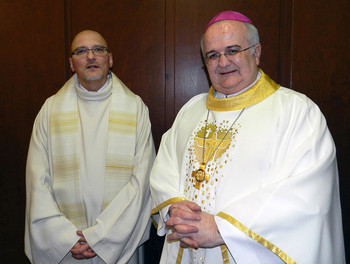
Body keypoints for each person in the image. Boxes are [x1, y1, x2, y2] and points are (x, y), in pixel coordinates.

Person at [150, 11, 345, 263]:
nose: (223, 63)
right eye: (212, 55)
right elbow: (163, 170)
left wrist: (221, 228)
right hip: (185, 248)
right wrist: (173, 208)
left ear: (257, 52)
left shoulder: (297, 111)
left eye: (233, 50)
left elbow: (308, 194)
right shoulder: (191, 110)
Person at [25, 30, 155, 263]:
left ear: (110, 59)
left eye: (99, 50)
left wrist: (103, 237)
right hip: (68, 245)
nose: (91, 56)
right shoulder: (50, 110)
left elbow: (142, 182)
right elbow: (37, 182)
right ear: (72, 64)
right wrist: (65, 237)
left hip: (118, 243)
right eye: (81, 51)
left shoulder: (135, 108)